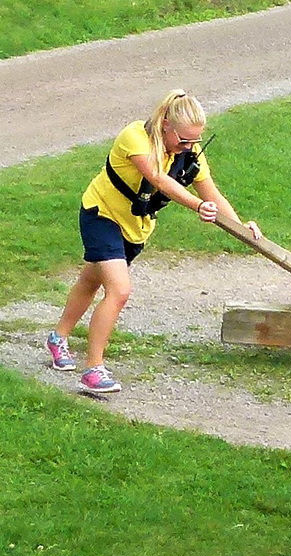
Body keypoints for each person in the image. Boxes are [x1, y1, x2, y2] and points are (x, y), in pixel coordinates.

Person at [46, 89, 262, 394]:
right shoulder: (135, 137)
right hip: (101, 215)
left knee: (91, 281)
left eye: (195, 141)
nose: (190, 147)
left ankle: (57, 339)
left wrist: (241, 226)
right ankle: (93, 369)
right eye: (184, 140)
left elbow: (212, 194)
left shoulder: (189, 152)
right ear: (165, 124)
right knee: (119, 290)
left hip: (136, 227)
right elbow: (160, 179)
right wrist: (197, 207)